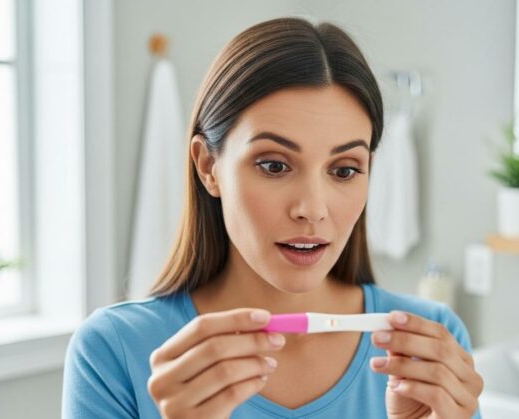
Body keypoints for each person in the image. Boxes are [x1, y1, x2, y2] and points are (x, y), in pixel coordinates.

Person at [62, 17, 483, 419]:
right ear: (208, 166)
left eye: (344, 170)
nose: (312, 209)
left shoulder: (428, 344)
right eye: (275, 166)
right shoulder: (114, 350)